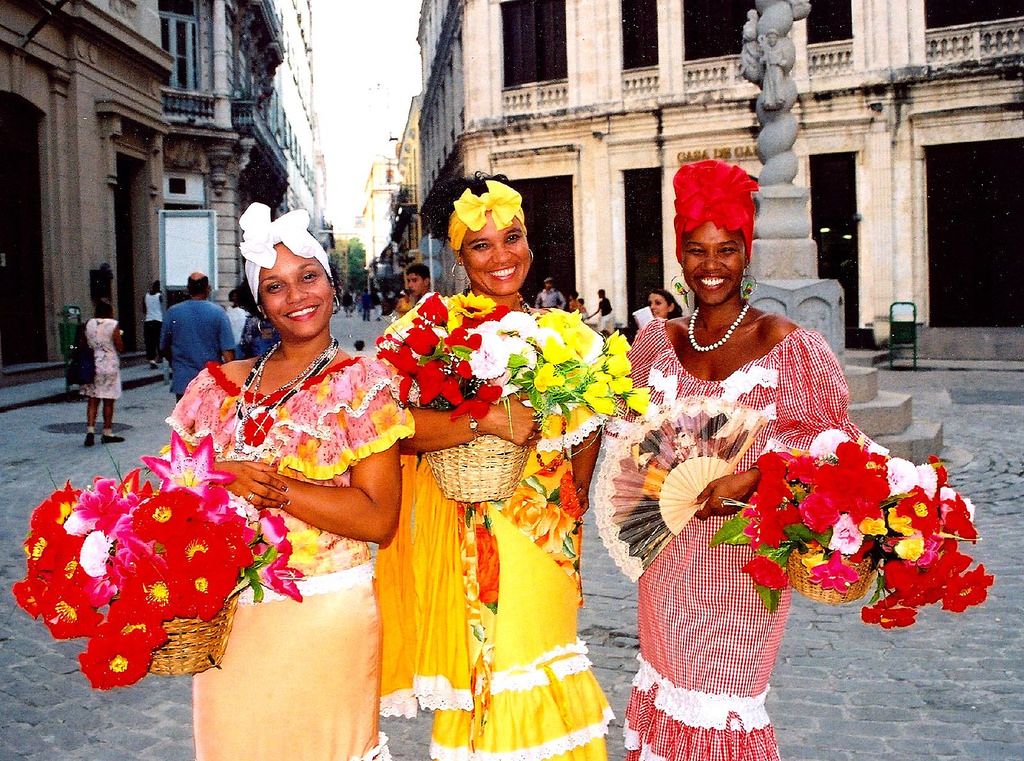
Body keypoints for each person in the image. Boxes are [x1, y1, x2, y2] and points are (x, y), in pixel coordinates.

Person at [618, 160, 868, 761]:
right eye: (698, 250)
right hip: (667, 561)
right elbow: (635, 444)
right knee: (668, 694)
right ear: (679, 256)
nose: (712, 266)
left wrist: (755, 474)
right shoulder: (656, 341)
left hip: (744, 563)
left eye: (726, 249)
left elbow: (837, 451)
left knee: (723, 709)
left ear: (746, 253)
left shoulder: (789, 345)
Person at [377, 174, 612, 759]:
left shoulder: (570, 336)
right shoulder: (427, 332)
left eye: (512, 238)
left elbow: (592, 423)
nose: (501, 257)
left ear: (530, 245)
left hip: (544, 541)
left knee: (537, 659)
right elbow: (388, 427)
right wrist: (481, 424)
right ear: (459, 257)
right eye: (481, 245)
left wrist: (572, 494)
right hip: (466, 535)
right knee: (494, 672)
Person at [169, 202, 412, 761]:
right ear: (260, 302)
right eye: (275, 286)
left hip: (324, 618)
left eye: (308, 277)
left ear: (331, 282)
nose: (297, 296)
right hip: (227, 620)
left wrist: (266, 487)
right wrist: (220, 476)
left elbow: (380, 519)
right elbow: (172, 497)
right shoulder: (214, 388)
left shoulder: (363, 385)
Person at [159, 273, 236, 400]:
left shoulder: (173, 312)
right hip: (211, 380)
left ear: (188, 289)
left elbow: (163, 347)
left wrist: (177, 364)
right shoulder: (218, 313)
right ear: (208, 289)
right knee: (209, 419)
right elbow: (228, 353)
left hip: (183, 381)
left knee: (184, 418)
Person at [81, 298, 125, 446]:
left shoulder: (89, 323)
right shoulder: (113, 324)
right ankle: (107, 431)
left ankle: (90, 430)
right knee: (108, 400)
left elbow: (84, 342)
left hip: (92, 364)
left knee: (92, 399)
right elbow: (119, 346)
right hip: (109, 365)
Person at [142, 280, 163, 369]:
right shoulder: (160, 296)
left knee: (149, 341)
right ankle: (160, 357)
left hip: (148, 320)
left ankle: (151, 359)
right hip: (158, 320)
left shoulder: (145, 296)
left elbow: (144, 309)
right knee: (159, 341)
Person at [224, 287, 249, 354]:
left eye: (237, 297)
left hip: (241, 344)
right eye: (233, 297)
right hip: (231, 343)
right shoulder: (227, 312)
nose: (235, 299)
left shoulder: (245, 313)